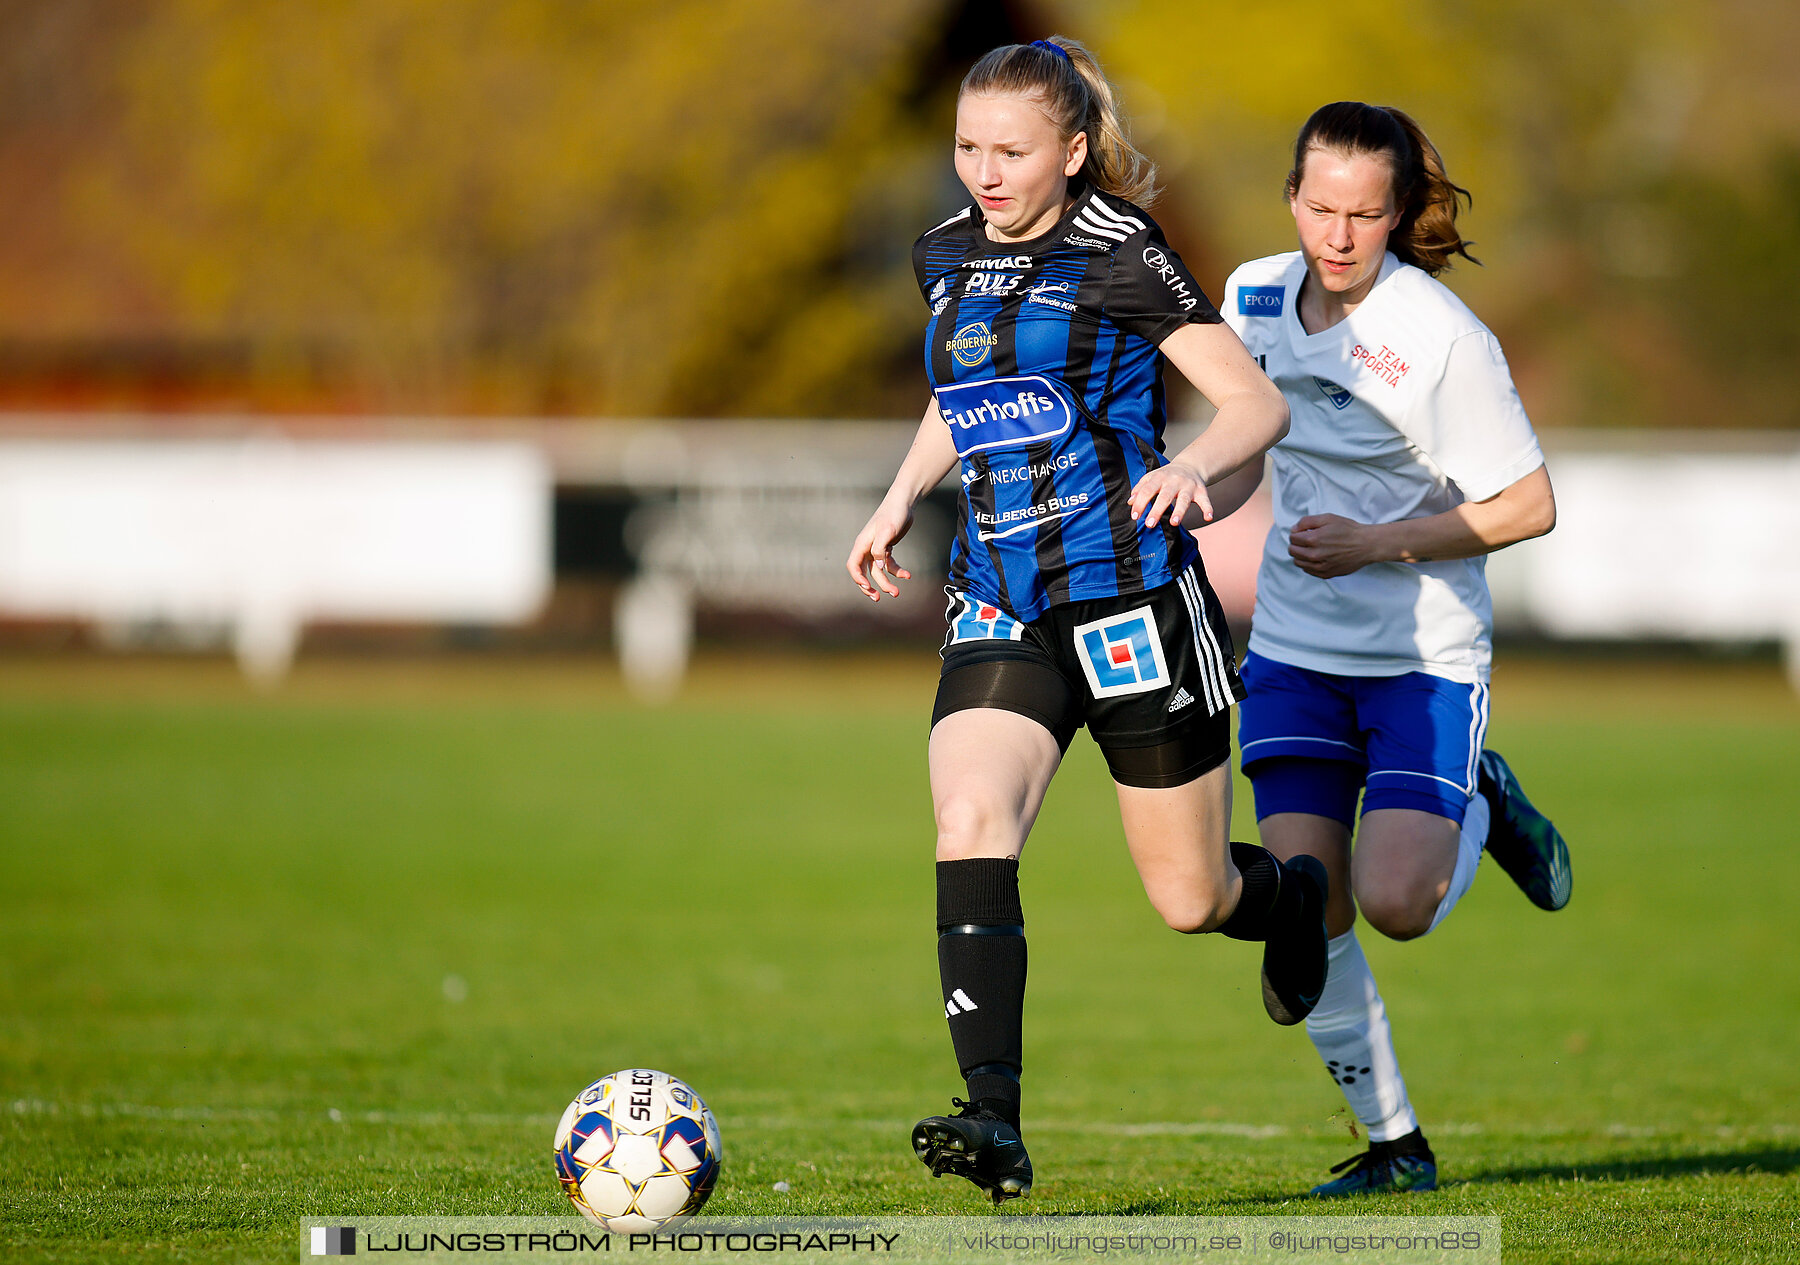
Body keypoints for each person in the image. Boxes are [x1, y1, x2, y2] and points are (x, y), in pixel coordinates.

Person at [844, 36, 1327, 1206]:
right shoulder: (945, 252)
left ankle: (1292, 896)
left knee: (1189, 897)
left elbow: (1253, 403)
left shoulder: (1121, 254)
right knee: (969, 813)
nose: (985, 172)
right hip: (1000, 594)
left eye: (1011, 150)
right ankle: (992, 1118)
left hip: (1133, 602)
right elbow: (964, 391)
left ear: (1071, 152)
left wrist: (1194, 465)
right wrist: (901, 495)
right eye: (968, 147)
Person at [1215, 101, 1573, 1197]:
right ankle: (1393, 1145)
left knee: (1397, 904)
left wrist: (1380, 541)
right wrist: (1190, 492)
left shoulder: (1444, 337)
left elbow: (1529, 504)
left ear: (1397, 213)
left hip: (1424, 654)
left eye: (1365, 215)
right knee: (1311, 903)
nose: (1338, 234)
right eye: (1320, 207)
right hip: (1292, 649)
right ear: (1291, 199)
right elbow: (1241, 448)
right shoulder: (1250, 295)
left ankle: (1483, 794)